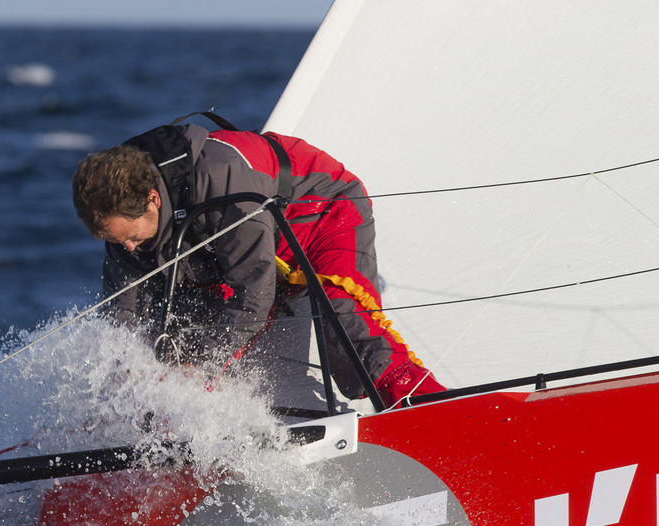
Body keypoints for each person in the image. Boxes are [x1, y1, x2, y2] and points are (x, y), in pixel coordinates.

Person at [71, 116, 446, 408]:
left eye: (133, 237)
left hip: (321, 216)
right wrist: (121, 384)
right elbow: (121, 319)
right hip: (238, 249)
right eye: (117, 242)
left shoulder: (220, 178)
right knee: (175, 341)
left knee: (345, 329)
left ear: (153, 199)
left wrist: (200, 368)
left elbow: (253, 291)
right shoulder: (125, 226)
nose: (130, 250)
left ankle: (425, 403)